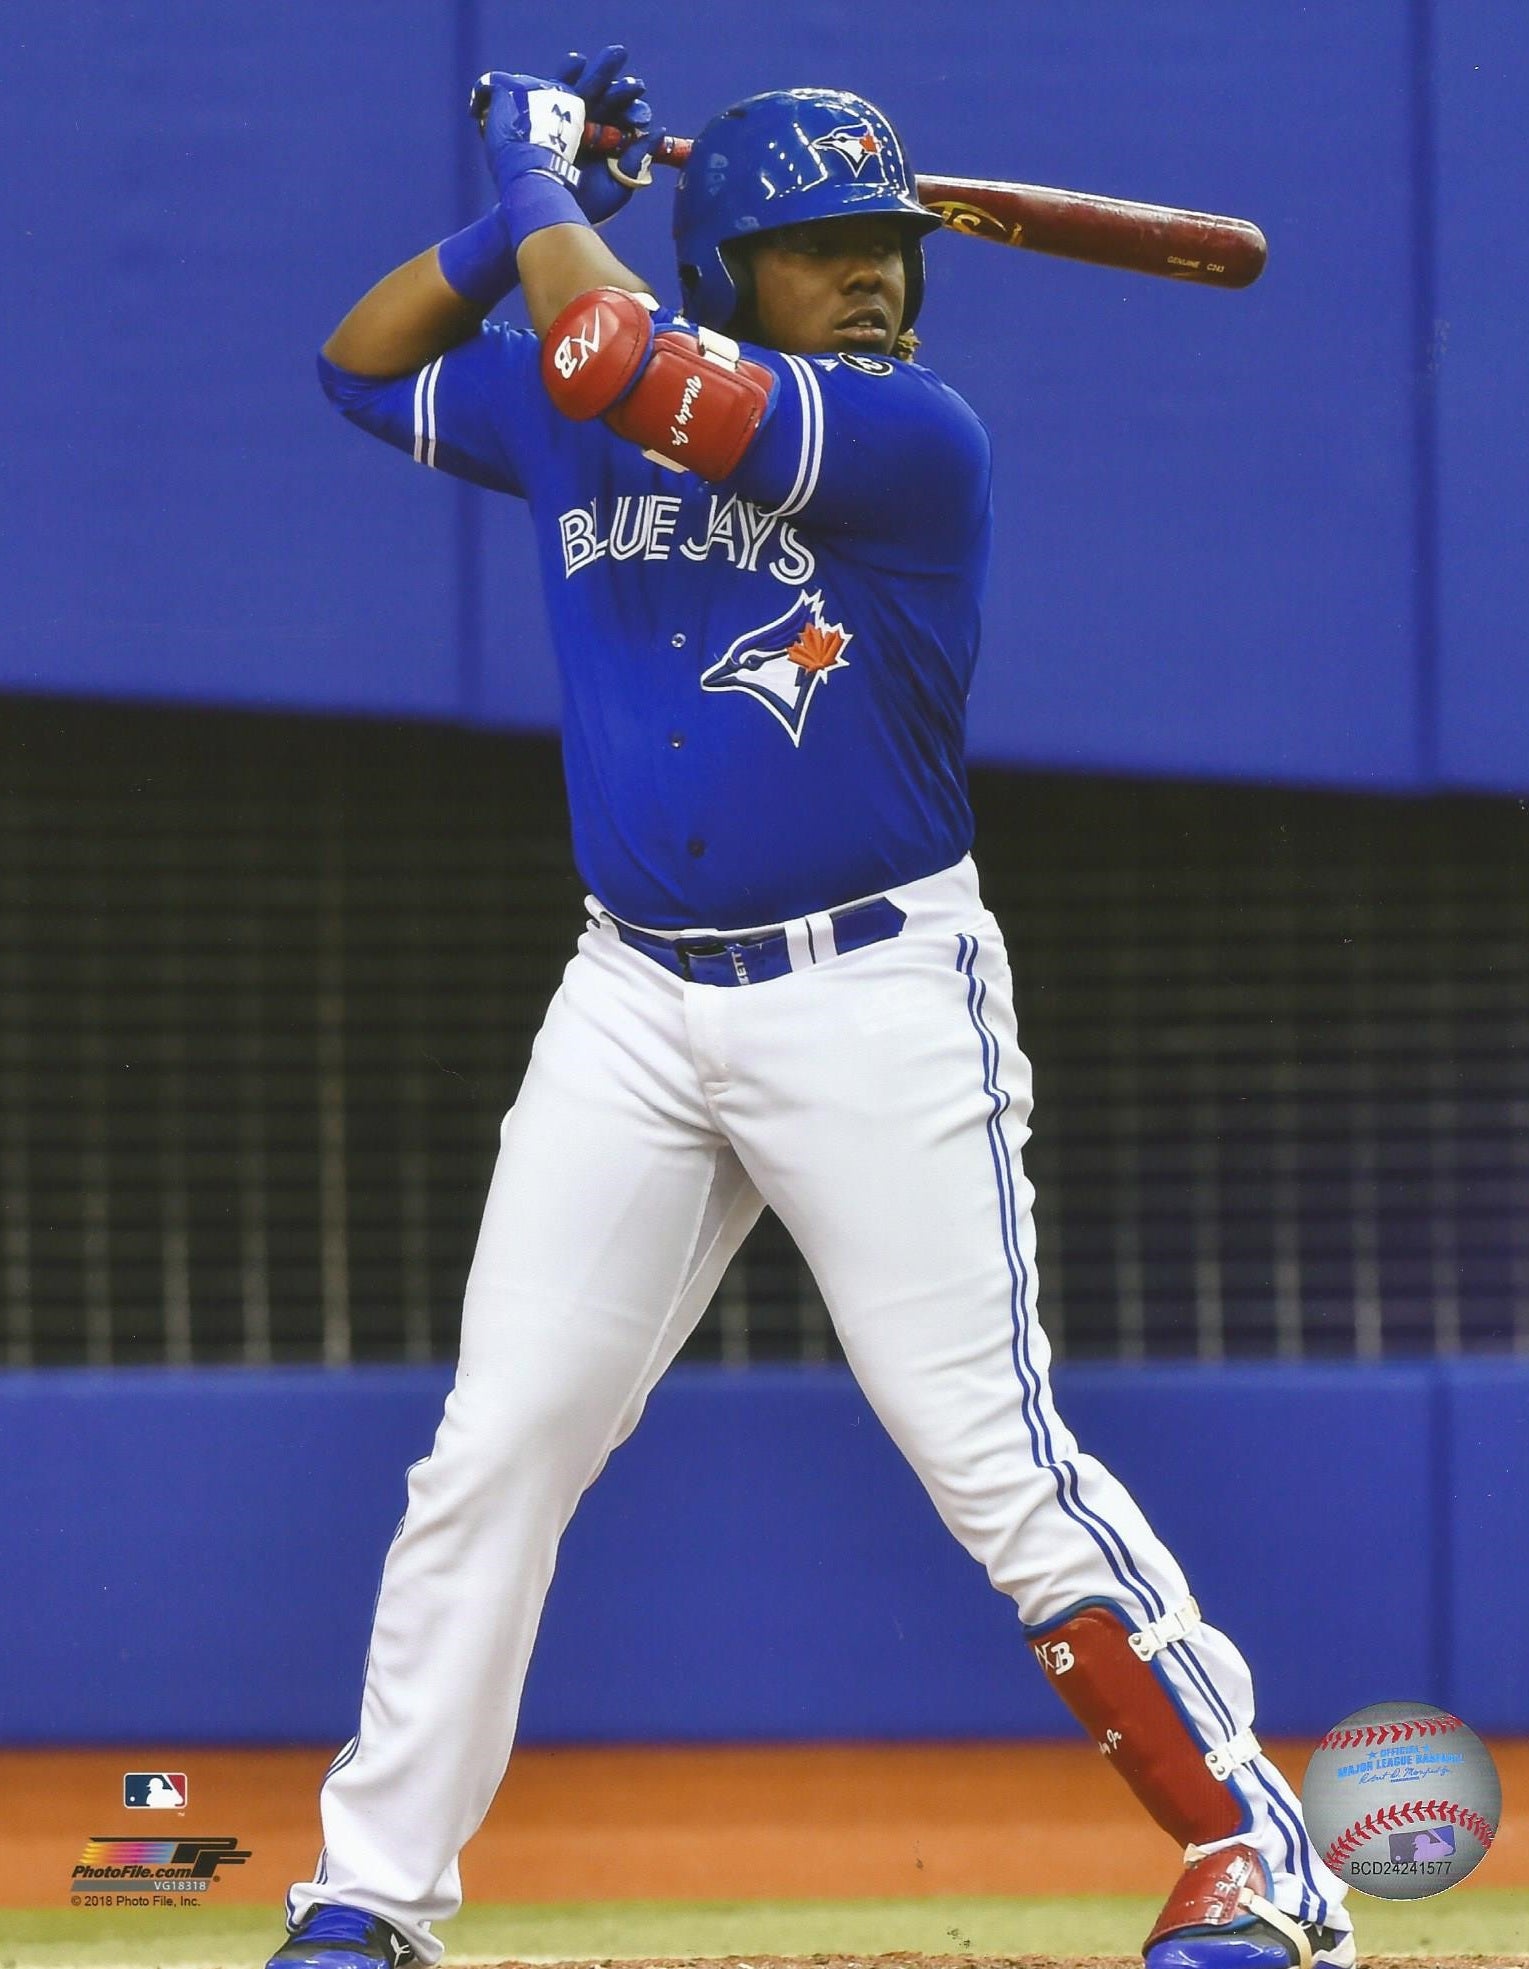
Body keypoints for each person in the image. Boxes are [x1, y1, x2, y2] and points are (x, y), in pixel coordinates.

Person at [270, 46, 1353, 1969]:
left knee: (989, 1456)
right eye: (812, 245)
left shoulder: (905, 434)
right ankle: (368, 1896)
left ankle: (1262, 1869)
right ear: (714, 258)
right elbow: (357, 365)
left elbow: (616, 364)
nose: (872, 274)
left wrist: (542, 188)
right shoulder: (574, 373)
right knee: (498, 1442)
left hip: (871, 992)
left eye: (885, 244)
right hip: (631, 997)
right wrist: (506, 215)